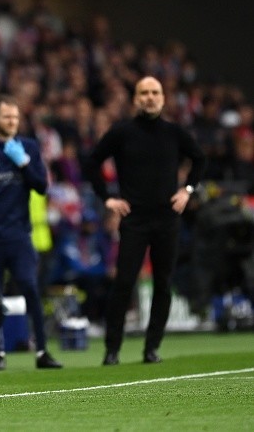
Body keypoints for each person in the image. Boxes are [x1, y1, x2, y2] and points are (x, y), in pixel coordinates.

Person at [86, 76, 206, 366]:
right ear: (136, 99)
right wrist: (108, 199)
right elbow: (92, 162)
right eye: (144, 93)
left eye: (155, 92)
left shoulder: (174, 133)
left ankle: (152, 348)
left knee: (163, 283)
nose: (150, 97)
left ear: (163, 98)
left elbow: (199, 159)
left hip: (167, 219)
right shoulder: (122, 132)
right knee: (124, 282)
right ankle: (112, 349)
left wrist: (187, 190)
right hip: (134, 219)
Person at [0, 94, 63, 371]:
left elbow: (41, 186)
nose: (12, 122)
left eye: (16, 117)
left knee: (31, 289)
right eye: (7, 117)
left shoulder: (28, 147)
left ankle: (42, 350)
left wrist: (23, 163)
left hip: (20, 235)